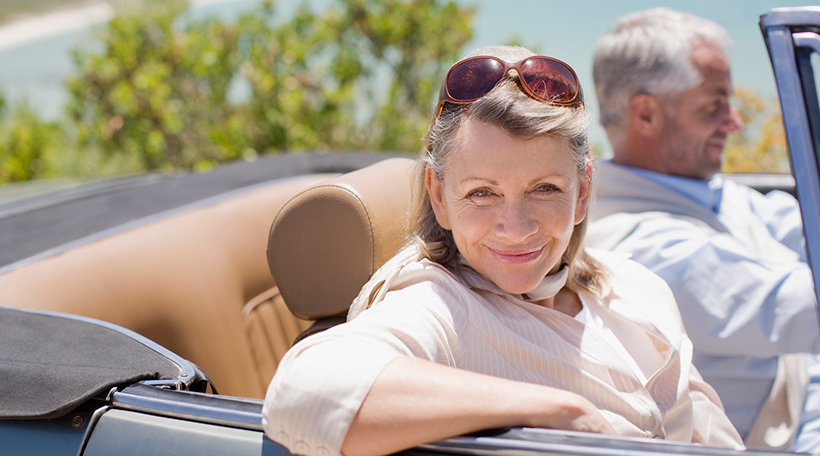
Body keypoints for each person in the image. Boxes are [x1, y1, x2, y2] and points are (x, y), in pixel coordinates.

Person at [262, 45, 743, 456]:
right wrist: (559, 410)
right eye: (481, 193)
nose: (515, 228)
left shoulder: (637, 286)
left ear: (582, 192)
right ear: (439, 197)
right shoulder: (439, 305)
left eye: (545, 188)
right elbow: (305, 390)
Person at [587, 7, 820, 452]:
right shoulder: (643, 247)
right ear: (646, 114)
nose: (734, 122)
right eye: (715, 105)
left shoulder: (708, 191)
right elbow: (802, 305)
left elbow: (798, 224)